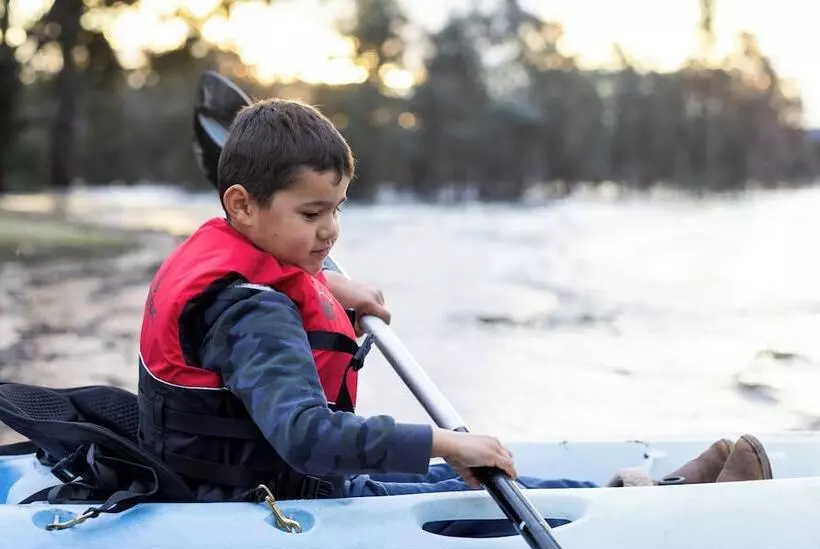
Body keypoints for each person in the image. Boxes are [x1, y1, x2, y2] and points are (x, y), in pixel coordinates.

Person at [136, 97, 772, 503]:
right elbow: (306, 434)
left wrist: (319, 282)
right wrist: (443, 442)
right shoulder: (255, 311)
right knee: (465, 482)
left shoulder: (238, 275)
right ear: (242, 204)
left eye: (336, 209)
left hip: (270, 476)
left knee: (470, 478)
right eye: (311, 213)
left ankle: (654, 493)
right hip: (274, 498)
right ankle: (654, 503)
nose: (330, 232)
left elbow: (245, 315)